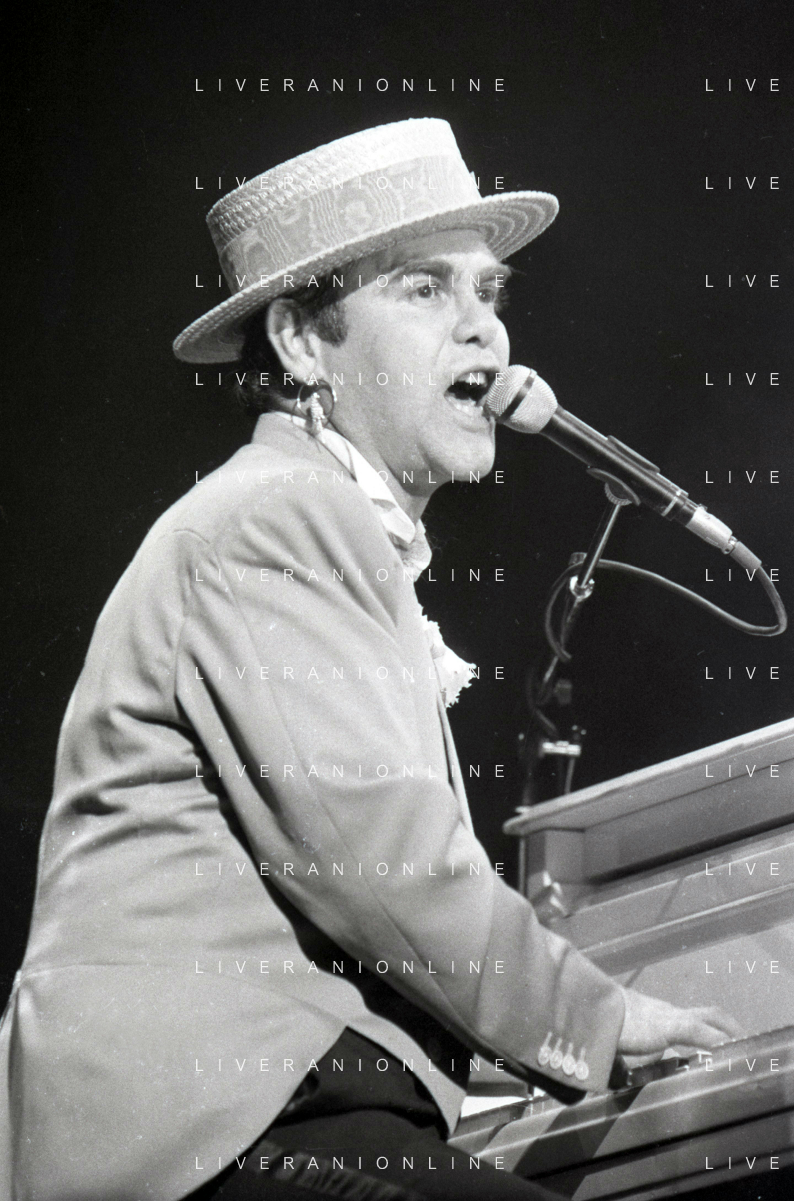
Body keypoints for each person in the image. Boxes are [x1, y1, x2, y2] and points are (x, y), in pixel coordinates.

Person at [0, 118, 740, 1201]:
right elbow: (386, 862)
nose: (484, 330)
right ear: (303, 342)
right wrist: (600, 1016)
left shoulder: (312, 523)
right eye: (424, 290)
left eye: (488, 291)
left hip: (276, 1106)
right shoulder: (275, 516)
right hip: (202, 1128)